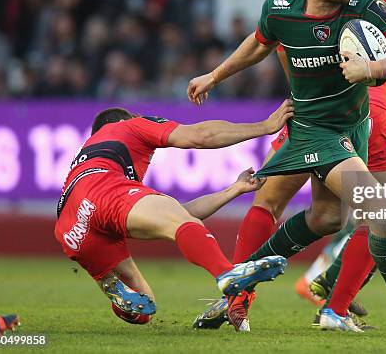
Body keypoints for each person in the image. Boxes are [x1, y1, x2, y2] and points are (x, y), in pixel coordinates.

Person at [188, 0, 386, 332]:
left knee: (324, 217)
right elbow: (259, 44)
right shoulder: (282, 7)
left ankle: (240, 285)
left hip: (353, 126)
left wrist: (373, 67)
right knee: (383, 211)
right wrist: (216, 75)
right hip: (314, 129)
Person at [54, 101, 294, 332]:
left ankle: (113, 290)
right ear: (121, 121)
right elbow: (201, 136)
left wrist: (234, 189)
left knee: (143, 307)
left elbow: (180, 214)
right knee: (182, 223)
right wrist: (265, 126)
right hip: (102, 191)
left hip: (70, 225)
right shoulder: (129, 125)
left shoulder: (87, 157)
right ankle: (226, 273)